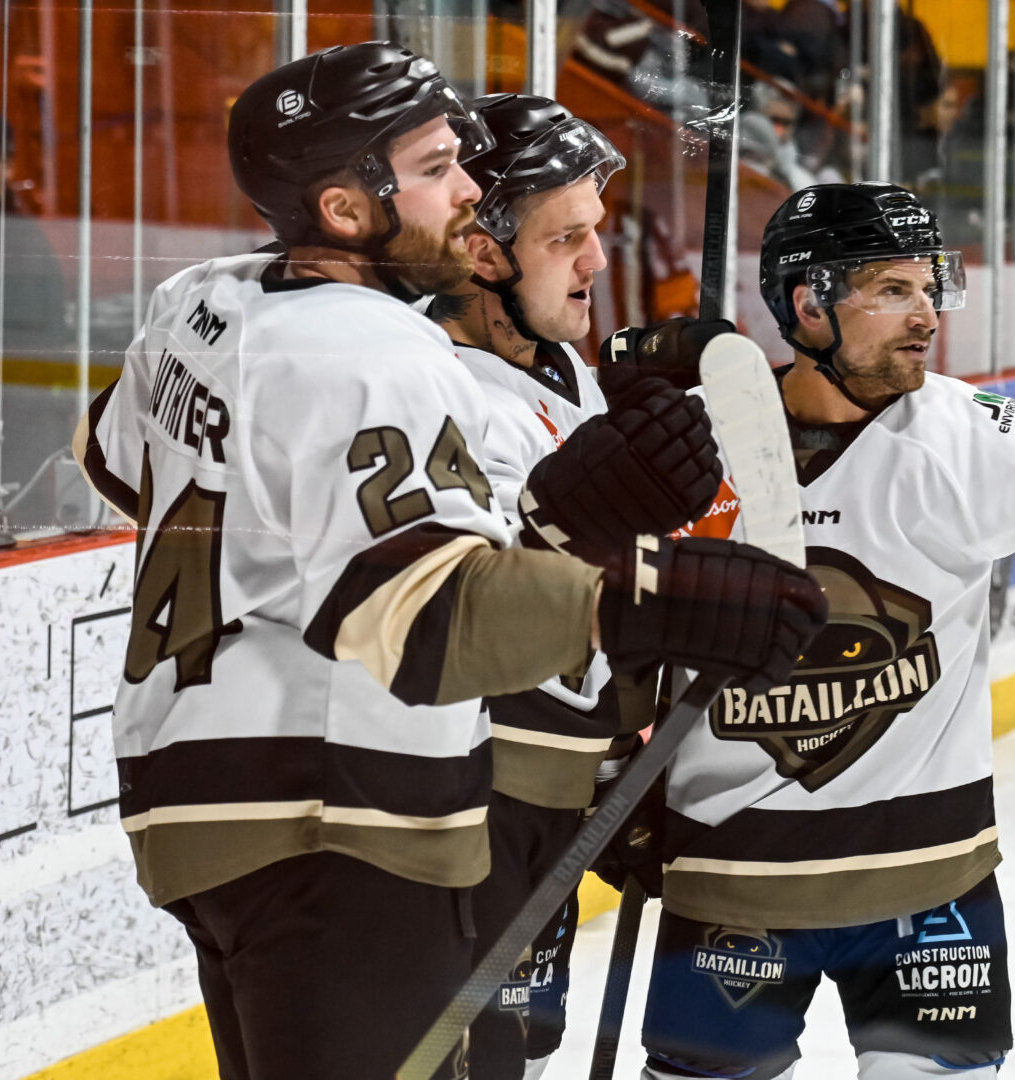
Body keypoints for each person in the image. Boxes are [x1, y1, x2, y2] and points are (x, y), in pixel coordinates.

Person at [71, 43, 826, 1080]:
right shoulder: (375, 357)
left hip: (206, 807)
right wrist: (659, 599)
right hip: (333, 823)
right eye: (435, 169)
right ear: (345, 208)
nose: (466, 192)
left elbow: (111, 459)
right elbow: (425, 622)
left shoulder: (206, 300)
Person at [610, 183, 1015, 1079]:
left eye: (931, 286)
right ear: (810, 304)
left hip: (931, 885)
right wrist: (609, 779)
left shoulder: (981, 439)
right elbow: (604, 631)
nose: (927, 315)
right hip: (734, 876)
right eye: (893, 291)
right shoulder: (692, 448)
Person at [426, 92, 734, 1079]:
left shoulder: (563, 365)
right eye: (569, 238)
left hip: (547, 811)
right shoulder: (434, 399)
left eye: (595, 230)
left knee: (520, 1046)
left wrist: (621, 774)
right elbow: (456, 626)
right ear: (480, 251)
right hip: (461, 824)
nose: (599, 261)